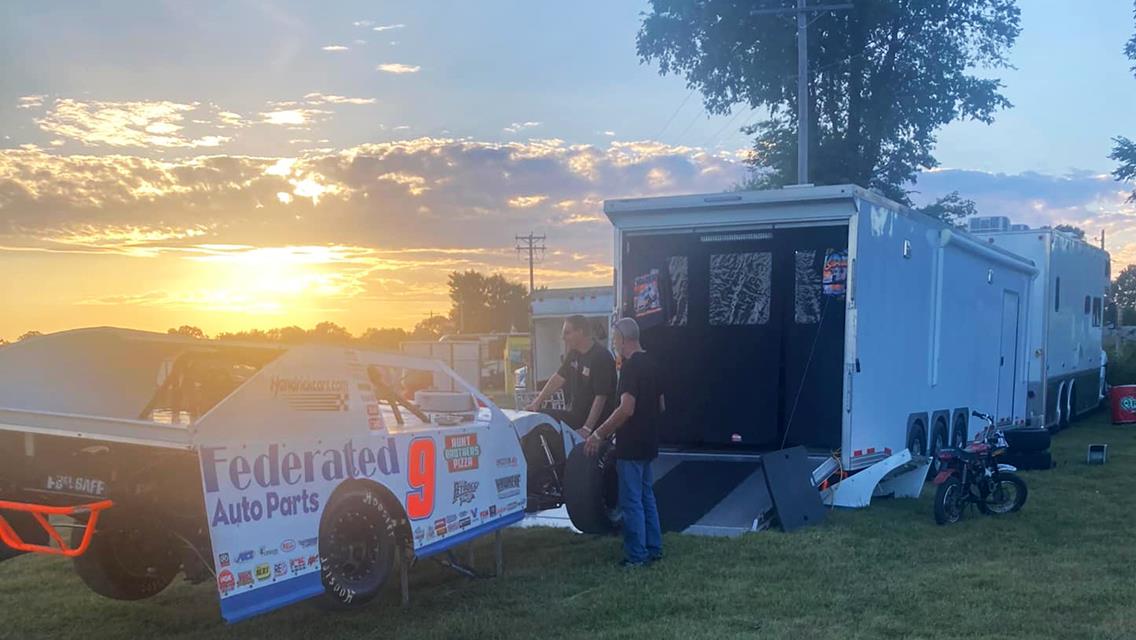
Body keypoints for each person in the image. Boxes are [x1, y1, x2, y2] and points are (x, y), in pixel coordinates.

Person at [584, 317, 663, 568]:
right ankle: (654, 548)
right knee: (647, 496)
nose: (614, 343)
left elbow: (626, 408)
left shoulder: (630, 367)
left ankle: (636, 557)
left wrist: (599, 433)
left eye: (615, 338)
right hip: (649, 442)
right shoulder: (653, 363)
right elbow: (661, 405)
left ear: (621, 338)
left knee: (631, 502)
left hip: (630, 446)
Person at [525, 315, 616, 436]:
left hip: (594, 424)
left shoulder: (601, 357)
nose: (563, 338)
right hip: (575, 415)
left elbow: (601, 397)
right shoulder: (573, 354)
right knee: (540, 417)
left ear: (580, 332)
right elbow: (558, 378)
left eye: (567, 333)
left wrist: (587, 429)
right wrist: (536, 403)